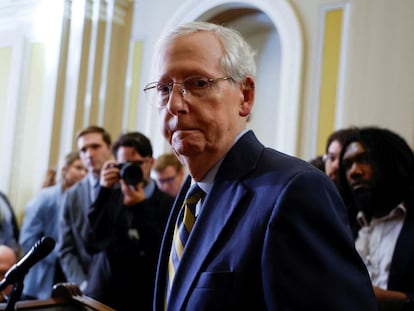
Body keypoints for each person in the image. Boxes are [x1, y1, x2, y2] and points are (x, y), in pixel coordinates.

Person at [143, 21, 377, 310]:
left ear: (245, 96)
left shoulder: (295, 190)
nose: (175, 104)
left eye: (198, 83)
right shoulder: (190, 195)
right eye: (164, 88)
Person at [85, 132, 174, 311]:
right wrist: (103, 191)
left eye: (137, 164)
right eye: (124, 165)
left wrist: (140, 207)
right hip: (104, 296)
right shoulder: (111, 196)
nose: (130, 170)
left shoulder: (168, 203)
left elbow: (160, 253)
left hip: (142, 298)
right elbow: (91, 244)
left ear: (151, 162)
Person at [338, 126, 414, 310]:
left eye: (363, 159)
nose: (354, 172)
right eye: (347, 165)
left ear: (391, 162)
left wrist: (400, 300)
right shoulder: (342, 226)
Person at [19, 151, 87, 300]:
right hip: (40, 279)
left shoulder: (83, 201)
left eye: (86, 170)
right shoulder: (45, 198)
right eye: (78, 168)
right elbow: (27, 239)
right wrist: (60, 254)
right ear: (65, 170)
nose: (83, 173)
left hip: (70, 277)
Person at [58, 126, 113, 291]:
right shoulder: (72, 194)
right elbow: (66, 248)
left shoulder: (124, 187)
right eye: (83, 150)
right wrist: (81, 283)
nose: (89, 154)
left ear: (109, 148)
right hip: (84, 286)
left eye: (95, 147)